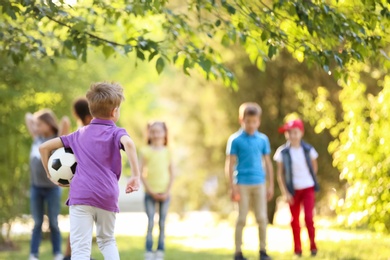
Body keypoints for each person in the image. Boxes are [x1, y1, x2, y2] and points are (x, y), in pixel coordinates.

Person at [39, 82, 141, 260]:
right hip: (107, 195)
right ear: (114, 112)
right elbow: (130, 144)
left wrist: (49, 174)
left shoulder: (78, 134)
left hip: (81, 196)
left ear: (91, 110)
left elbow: (44, 148)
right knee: (107, 240)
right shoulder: (116, 133)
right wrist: (136, 175)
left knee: (80, 248)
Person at [225, 102, 274, 260]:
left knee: (262, 217)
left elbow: (267, 162)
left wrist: (270, 184)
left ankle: (263, 250)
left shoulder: (262, 139)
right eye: (248, 121)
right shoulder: (235, 140)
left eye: (254, 121)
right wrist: (232, 187)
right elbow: (230, 164)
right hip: (241, 184)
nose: (251, 125)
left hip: (259, 183)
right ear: (242, 120)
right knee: (241, 218)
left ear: (258, 121)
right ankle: (238, 252)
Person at [25, 109, 70, 260]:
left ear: (49, 125)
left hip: (52, 189)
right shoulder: (36, 137)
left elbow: (65, 120)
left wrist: (51, 123)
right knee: (37, 223)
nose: (36, 127)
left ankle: (57, 253)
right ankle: (33, 254)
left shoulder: (55, 140)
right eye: (35, 125)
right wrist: (37, 122)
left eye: (40, 124)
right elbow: (27, 116)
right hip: (36, 187)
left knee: (53, 222)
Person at [274, 119, 319, 257]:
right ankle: (297, 249)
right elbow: (280, 174)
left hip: (307, 187)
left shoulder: (309, 150)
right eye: (289, 133)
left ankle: (312, 246)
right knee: (294, 220)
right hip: (292, 190)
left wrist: (308, 180)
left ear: (301, 133)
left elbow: (314, 167)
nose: (292, 135)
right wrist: (285, 192)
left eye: (295, 132)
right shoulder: (282, 152)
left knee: (309, 218)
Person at [139, 121, 174, 260]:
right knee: (150, 221)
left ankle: (160, 250)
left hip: (165, 192)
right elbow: (141, 173)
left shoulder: (168, 152)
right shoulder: (145, 151)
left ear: (164, 134)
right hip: (150, 193)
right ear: (149, 133)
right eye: (152, 131)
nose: (155, 134)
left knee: (162, 222)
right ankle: (149, 250)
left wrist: (167, 191)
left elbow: (172, 173)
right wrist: (150, 191)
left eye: (158, 131)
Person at [63, 98, 93, 260]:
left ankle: (72, 254)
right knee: (81, 222)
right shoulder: (85, 133)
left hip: (79, 183)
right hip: (84, 184)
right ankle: (71, 255)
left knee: (79, 222)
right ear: (88, 117)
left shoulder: (79, 131)